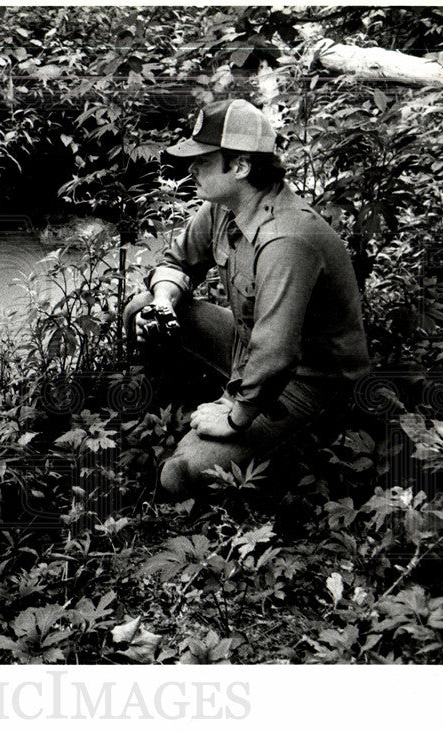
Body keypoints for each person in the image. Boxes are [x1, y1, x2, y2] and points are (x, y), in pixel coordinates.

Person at [124, 98, 370, 498]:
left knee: (177, 475)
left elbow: (276, 353)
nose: (191, 168)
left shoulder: (286, 239)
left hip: (307, 382)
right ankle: (174, 405)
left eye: (203, 159)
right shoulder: (225, 206)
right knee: (144, 308)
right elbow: (177, 262)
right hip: (248, 350)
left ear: (239, 166)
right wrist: (164, 299)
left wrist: (236, 418)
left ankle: (279, 443)